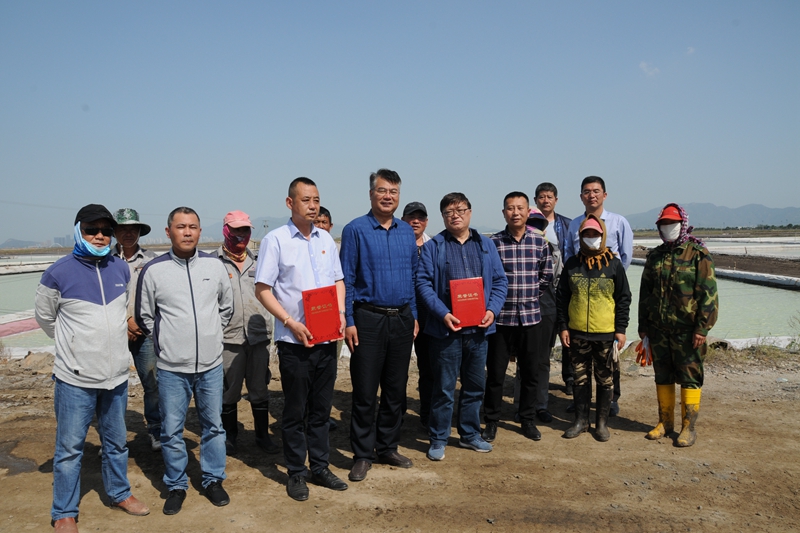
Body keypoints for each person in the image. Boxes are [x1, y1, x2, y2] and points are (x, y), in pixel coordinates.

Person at [36, 204, 149, 533]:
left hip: (116, 378)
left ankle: (119, 493)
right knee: (70, 449)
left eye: (105, 230)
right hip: (75, 380)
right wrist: (75, 346)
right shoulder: (57, 273)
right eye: (91, 230)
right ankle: (64, 512)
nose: (99, 236)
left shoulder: (120, 268)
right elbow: (45, 318)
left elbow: (121, 313)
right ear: (78, 231)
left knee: (116, 443)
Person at [255, 178, 349, 501]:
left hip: (327, 338)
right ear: (290, 203)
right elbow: (263, 289)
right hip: (294, 341)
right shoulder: (276, 240)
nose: (313, 205)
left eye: (316, 200)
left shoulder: (326, 239)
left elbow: (338, 280)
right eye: (306, 199)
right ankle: (296, 471)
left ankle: (320, 466)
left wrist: (340, 312)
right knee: (295, 411)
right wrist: (289, 322)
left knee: (321, 410)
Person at [136, 207, 233, 515]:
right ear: (169, 232)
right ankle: (176, 485)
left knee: (213, 426)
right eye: (181, 227)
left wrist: (211, 336)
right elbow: (145, 316)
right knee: (171, 429)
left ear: (200, 231)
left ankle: (213, 479)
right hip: (171, 369)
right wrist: (167, 343)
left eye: (193, 226)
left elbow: (226, 307)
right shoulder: (154, 270)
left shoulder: (214, 266)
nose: (187, 232)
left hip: (210, 365)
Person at [340, 168, 419, 482]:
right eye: (382, 190)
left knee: (396, 389)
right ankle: (362, 454)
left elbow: (413, 276)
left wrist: (414, 315)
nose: (388, 196)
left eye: (393, 192)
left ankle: (387, 446)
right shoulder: (355, 229)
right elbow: (346, 279)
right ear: (371, 194)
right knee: (364, 390)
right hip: (368, 318)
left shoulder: (406, 231)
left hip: (401, 318)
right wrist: (348, 320)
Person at [417, 192, 508, 460]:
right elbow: (423, 284)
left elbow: (500, 281)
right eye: (449, 212)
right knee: (443, 388)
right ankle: (438, 438)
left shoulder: (485, 245)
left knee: (475, 386)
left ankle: (469, 434)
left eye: (460, 210)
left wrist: (492, 310)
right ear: (443, 217)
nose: (455, 215)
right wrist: (443, 313)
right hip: (446, 331)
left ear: (469, 212)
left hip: (479, 331)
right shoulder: (434, 247)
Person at [639, 204, 718, 447]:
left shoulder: (697, 254)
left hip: (687, 331)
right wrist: (643, 326)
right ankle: (665, 422)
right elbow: (645, 293)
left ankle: (688, 427)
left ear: (682, 224)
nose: (668, 227)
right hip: (659, 330)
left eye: (672, 223)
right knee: (662, 375)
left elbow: (708, 294)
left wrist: (702, 328)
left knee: (690, 376)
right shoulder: (655, 256)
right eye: (664, 224)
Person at [483, 193, 551, 444]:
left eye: (520, 208)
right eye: (510, 208)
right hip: (501, 319)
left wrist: (530, 296)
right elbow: (488, 278)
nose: (515, 213)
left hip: (531, 318)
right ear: (504, 213)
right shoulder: (494, 243)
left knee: (530, 373)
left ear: (527, 212)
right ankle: (491, 420)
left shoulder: (539, 242)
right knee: (496, 374)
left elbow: (546, 276)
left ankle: (527, 419)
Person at [557, 215, 630, 442]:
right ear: (580, 237)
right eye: (586, 234)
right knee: (579, 378)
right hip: (577, 333)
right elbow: (562, 297)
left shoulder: (614, 264)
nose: (591, 238)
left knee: (605, 379)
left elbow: (623, 298)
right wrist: (563, 327)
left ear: (603, 236)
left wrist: (620, 329)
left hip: (605, 334)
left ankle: (601, 423)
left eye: (595, 234)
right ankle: (580, 420)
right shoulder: (572, 264)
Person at [564, 176, 633, 416]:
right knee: (580, 361)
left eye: (596, 191)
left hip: (606, 292)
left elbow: (625, 257)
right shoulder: (574, 224)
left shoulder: (619, 222)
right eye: (587, 191)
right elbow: (568, 253)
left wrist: (609, 277)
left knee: (608, 357)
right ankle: (581, 403)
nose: (591, 195)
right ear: (581, 196)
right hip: (580, 291)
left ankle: (611, 400)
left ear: (604, 194)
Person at [215, 210, 277, 456]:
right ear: (225, 230)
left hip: (258, 336)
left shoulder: (261, 261)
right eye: (236, 230)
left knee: (259, 388)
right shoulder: (213, 263)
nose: (241, 235)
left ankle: (262, 436)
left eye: (245, 230)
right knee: (229, 390)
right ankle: (230, 437)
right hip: (228, 338)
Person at [112, 208, 160, 452]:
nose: (128, 233)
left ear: (140, 232)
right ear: (114, 232)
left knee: (153, 383)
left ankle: (156, 429)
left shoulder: (152, 260)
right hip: (113, 333)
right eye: (123, 229)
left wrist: (141, 323)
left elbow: (159, 295)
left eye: (133, 229)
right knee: (112, 385)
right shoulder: (105, 260)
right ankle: (113, 436)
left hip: (145, 333)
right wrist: (126, 320)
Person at [534, 183, 574, 394]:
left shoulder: (567, 225)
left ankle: (570, 378)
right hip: (542, 289)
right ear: (535, 200)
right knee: (543, 337)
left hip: (564, 286)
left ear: (556, 200)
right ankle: (540, 380)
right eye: (541, 197)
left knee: (567, 332)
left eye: (549, 197)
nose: (545, 200)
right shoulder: (530, 223)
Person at [401, 201, 433, 427]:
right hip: (402, 312)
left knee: (429, 367)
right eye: (411, 217)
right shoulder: (396, 244)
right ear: (402, 220)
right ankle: (397, 414)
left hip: (429, 314)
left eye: (420, 217)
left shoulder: (435, 246)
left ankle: (427, 414)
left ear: (426, 222)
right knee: (398, 368)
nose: (415, 221)